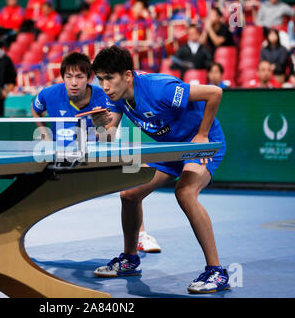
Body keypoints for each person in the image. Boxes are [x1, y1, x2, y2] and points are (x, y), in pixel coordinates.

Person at [90, 45, 229, 294]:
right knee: (129, 194)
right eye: (100, 79)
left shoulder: (161, 88)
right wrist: (100, 126)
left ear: (127, 76)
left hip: (202, 144)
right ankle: (130, 260)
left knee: (185, 192)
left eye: (109, 78)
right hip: (171, 149)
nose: (104, 85)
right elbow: (107, 140)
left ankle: (216, 272)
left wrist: (202, 135)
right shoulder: (118, 98)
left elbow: (214, 93)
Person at [31, 51, 162, 253]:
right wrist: (42, 132)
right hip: (65, 158)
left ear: (90, 78)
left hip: (99, 153)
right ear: (63, 77)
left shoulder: (105, 96)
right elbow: (36, 109)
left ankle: (141, 235)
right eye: (69, 77)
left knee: (135, 172)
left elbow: (110, 132)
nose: (74, 82)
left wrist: (102, 127)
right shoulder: (49, 94)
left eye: (80, 77)